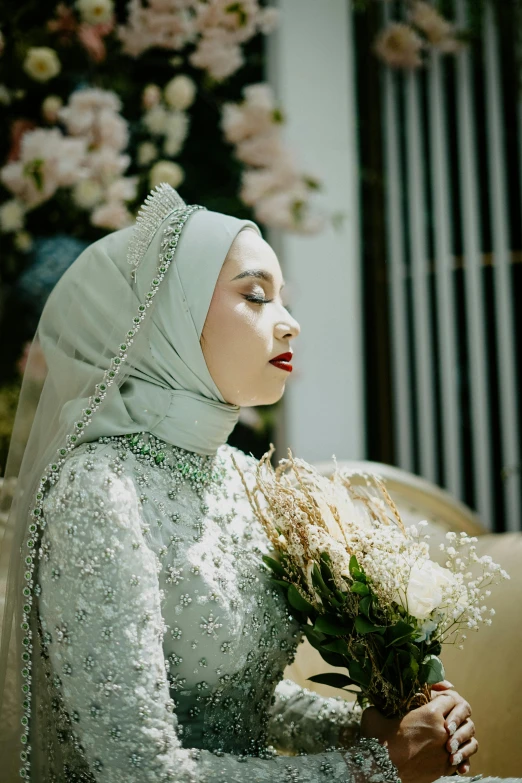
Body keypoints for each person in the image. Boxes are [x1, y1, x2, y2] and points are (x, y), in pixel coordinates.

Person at [0, 184, 518, 783]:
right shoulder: (99, 488)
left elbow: (241, 705)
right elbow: (134, 767)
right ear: (173, 314)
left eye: (283, 300)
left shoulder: (243, 478)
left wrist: (371, 727)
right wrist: (376, 765)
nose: (290, 324)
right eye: (256, 296)